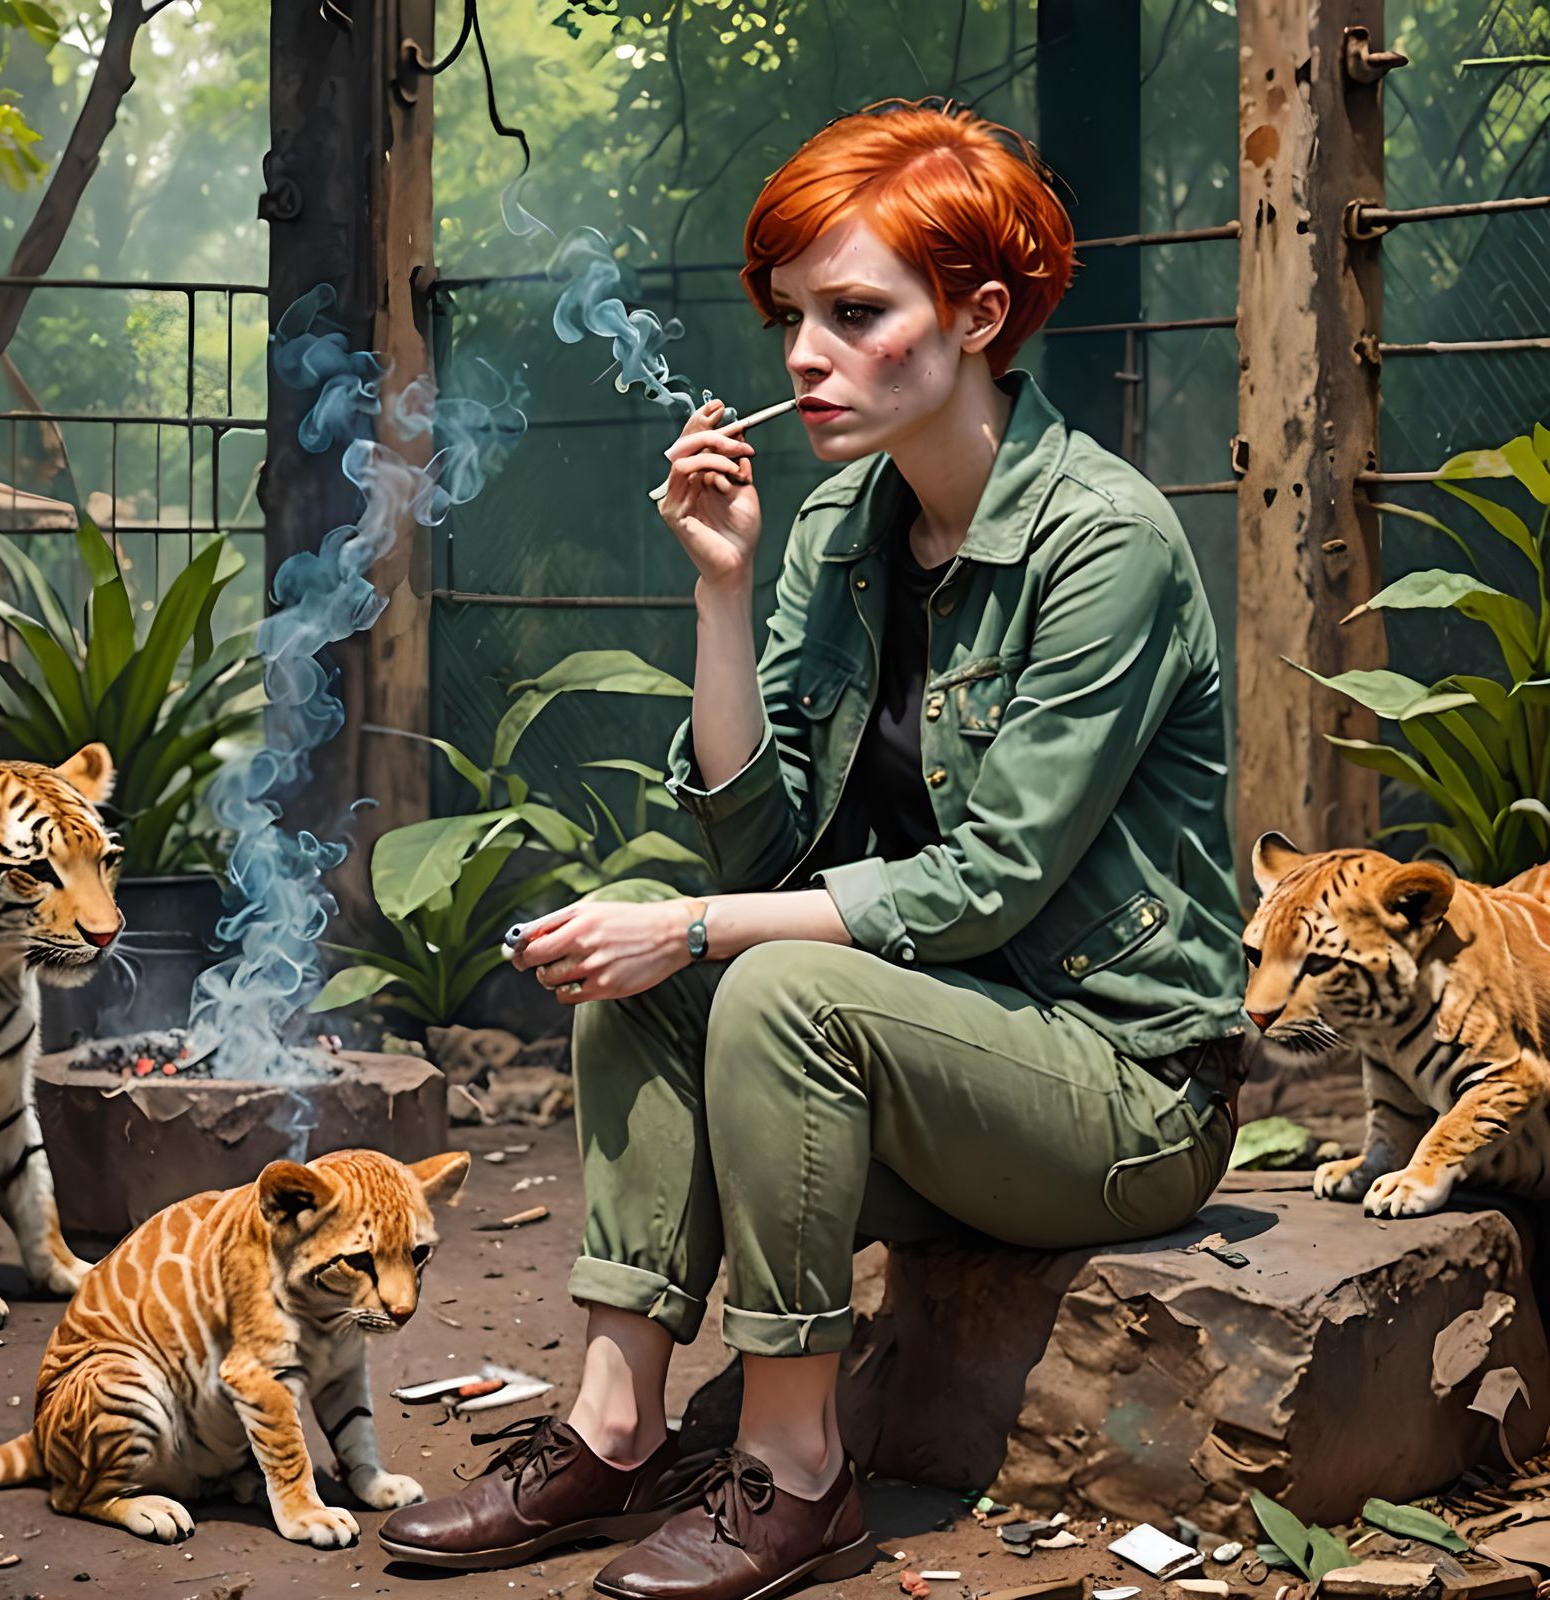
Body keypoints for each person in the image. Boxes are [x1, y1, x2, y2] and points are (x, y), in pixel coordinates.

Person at [380, 95, 1247, 1600]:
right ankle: (614, 1426)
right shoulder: (845, 528)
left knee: (756, 974)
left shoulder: (1107, 545)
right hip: (939, 1065)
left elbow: (987, 887)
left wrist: (706, 928)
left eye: (855, 314)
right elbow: (763, 839)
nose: (803, 356)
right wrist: (723, 591)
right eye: (793, 317)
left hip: (1114, 1088)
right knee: (654, 962)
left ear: (979, 317)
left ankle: (796, 1473)